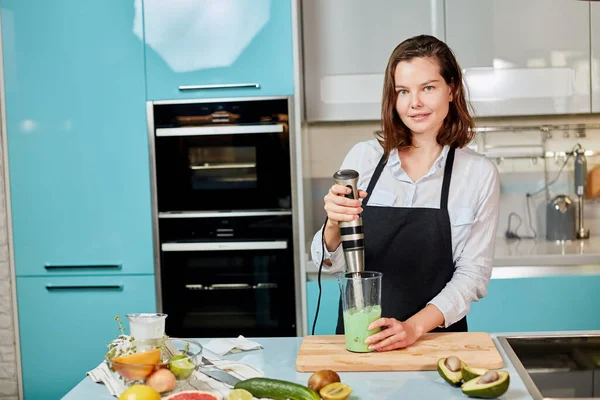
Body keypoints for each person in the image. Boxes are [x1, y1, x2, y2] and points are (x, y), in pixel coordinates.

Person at [311, 34, 500, 351]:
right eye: (403, 91)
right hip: (362, 337)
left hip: (437, 343)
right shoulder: (364, 160)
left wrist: (413, 328)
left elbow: (473, 275)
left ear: (451, 89)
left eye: (428, 88)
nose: (415, 103)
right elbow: (330, 261)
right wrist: (332, 223)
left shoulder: (477, 174)